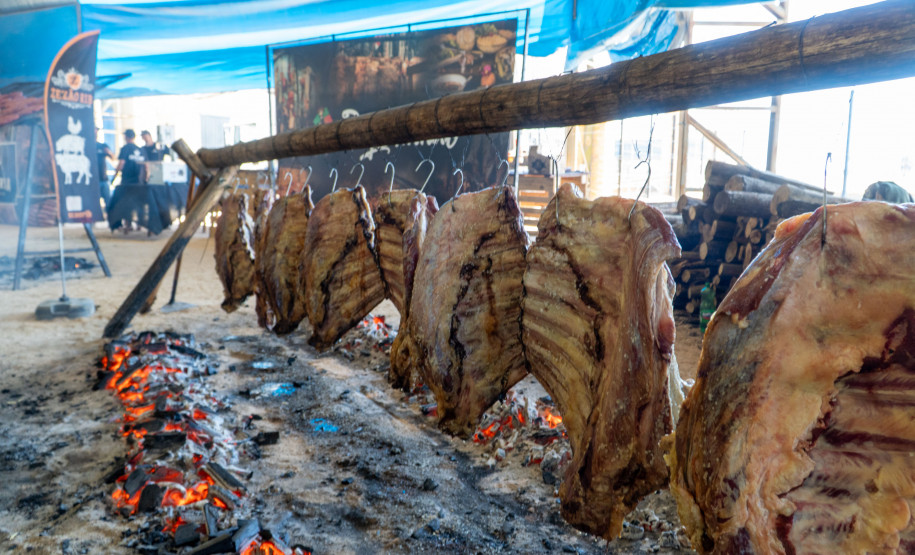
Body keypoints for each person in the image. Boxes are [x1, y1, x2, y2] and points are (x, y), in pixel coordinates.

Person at [96, 127, 115, 206]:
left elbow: (113, 158)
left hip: (103, 179)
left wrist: (109, 152)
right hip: (93, 181)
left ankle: (110, 217)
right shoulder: (88, 146)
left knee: (109, 202)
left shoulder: (102, 145)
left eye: (96, 132)